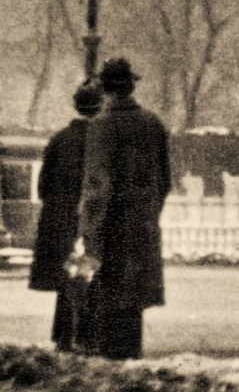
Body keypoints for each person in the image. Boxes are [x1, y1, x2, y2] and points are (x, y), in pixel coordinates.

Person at [75, 57, 173, 361]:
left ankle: (113, 367)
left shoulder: (102, 126)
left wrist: (88, 234)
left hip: (110, 230)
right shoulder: (152, 123)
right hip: (142, 228)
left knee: (105, 297)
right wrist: (147, 215)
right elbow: (165, 181)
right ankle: (131, 361)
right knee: (133, 304)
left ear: (104, 89)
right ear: (131, 86)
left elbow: (97, 188)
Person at [30, 82, 104, 353]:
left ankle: (62, 335)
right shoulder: (103, 142)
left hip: (62, 222)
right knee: (92, 277)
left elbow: (43, 187)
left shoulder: (59, 139)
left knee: (66, 280)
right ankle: (88, 336)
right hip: (93, 222)